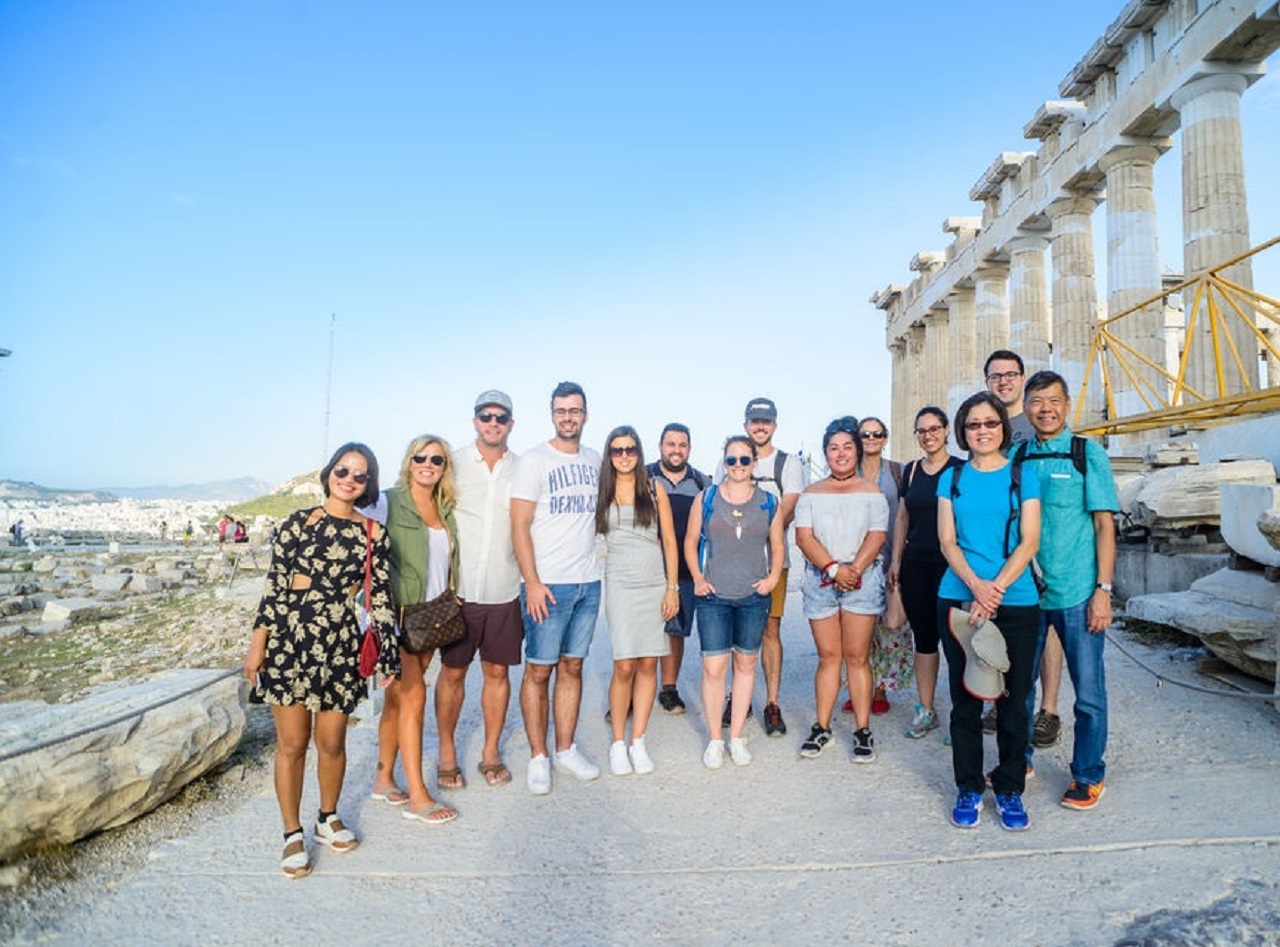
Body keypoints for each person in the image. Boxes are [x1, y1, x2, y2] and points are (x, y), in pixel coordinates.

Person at [243, 442, 398, 878]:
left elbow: (381, 598)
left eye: (360, 475)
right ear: (329, 472)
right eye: (343, 470)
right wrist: (257, 645)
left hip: (340, 643)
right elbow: (275, 590)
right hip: (290, 641)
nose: (349, 479)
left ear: (369, 484)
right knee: (292, 743)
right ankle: (291, 832)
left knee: (332, 741)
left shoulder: (373, 534)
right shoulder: (296, 523)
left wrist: (388, 654)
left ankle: (327, 816)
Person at [937, 393, 1041, 831]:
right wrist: (977, 588)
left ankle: (1010, 787)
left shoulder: (1024, 474)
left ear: (1002, 427)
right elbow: (947, 540)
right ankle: (969, 786)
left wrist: (994, 589)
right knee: (965, 701)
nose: (982, 431)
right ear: (963, 431)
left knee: (1014, 701)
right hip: (960, 597)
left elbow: (1030, 540)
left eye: (990, 423)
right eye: (974, 424)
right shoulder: (952, 477)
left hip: (1014, 599)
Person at [1019, 371, 1118, 811]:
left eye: (1054, 401)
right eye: (1037, 401)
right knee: (1018, 687)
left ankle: (1088, 774)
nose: (1046, 409)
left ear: (1067, 405)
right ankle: (1017, 762)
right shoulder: (1017, 455)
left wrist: (1104, 590)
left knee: (1089, 692)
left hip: (1078, 590)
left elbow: (1104, 526)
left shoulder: (1086, 454)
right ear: (1025, 407)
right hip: (1027, 592)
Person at [511, 381, 603, 795]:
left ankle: (565, 748)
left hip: (588, 583)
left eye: (575, 410)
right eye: (561, 410)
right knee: (539, 669)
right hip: (548, 585)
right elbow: (519, 525)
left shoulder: (595, 458)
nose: (568, 417)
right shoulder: (533, 461)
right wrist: (531, 582)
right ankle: (538, 755)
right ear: (552, 414)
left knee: (573, 666)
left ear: (585, 414)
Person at [368, 435, 461, 825]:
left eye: (436, 459)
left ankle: (383, 779)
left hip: (432, 616)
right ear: (409, 461)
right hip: (398, 615)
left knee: (396, 700)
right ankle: (418, 796)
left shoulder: (444, 507)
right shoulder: (388, 500)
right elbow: (353, 522)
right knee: (414, 697)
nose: (428, 464)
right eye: (420, 457)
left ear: (444, 467)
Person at [686, 435, 785, 769]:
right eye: (732, 460)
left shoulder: (769, 501)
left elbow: (778, 544)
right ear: (724, 462)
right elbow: (689, 542)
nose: (738, 466)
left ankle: (737, 736)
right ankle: (715, 738)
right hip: (713, 596)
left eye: (745, 460)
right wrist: (698, 580)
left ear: (754, 463)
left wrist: (772, 579)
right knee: (714, 667)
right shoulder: (707, 498)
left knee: (745, 665)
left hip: (753, 597)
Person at [794, 417, 889, 763]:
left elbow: (877, 535)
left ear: (858, 450)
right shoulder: (811, 493)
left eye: (847, 446)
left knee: (857, 657)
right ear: (825, 453)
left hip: (862, 580)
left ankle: (862, 729)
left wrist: (853, 570)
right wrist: (834, 569)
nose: (841, 453)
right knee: (828, 657)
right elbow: (803, 537)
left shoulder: (872, 491)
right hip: (822, 580)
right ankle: (822, 727)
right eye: (833, 448)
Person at [443, 390, 523, 788]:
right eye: (485, 415)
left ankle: (490, 752)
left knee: (497, 671)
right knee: (453, 673)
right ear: (474, 420)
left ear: (511, 424)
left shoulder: (523, 468)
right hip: (460, 591)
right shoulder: (451, 463)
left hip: (505, 589)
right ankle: (446, 753)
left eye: (501, 417)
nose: (493, 422)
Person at [715, 397, 802, 737]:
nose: (760, 426)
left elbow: (790, 507)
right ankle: (738, 696)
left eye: (766, 421)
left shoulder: (787, 463)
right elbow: (717, 501)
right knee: (735, 630)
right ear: (746, 424)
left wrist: (753, 530)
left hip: (771, 561)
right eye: (754, 421)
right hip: (731, 561)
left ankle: (772, 702)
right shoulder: (731, 458)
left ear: (774, 425)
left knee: (770, 631)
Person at [597, 426, 680, 775]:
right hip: (619, 582)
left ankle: (638, 740)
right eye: (617, 450)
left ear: (639, 452)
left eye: (630, 449)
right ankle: (618, 742)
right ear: (609, 455)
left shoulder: (654, 487)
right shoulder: (602, 491)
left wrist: (672, 587)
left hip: (653, 581)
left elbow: (671, 541)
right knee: (624, 664)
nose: (624, 455)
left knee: (649, 664)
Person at [887, 406, 963, 740]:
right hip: (916, 564)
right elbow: (903, 517)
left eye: (934, 429)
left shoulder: (962, 469)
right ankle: (926, 709)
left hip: (953, 566)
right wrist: (895, 562)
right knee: (925, 640)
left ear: (946, 431)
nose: (928, 435)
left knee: (959, 642)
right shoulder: (912, 471)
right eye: (921, 430)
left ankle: (964, 715)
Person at [647, 422, 710, 715]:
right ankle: (633, 691)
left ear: (689, 448)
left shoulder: (701, 482)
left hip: (686, 568)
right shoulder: (643, 476)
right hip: (647, 567)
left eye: (682, 444)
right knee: (643, 630)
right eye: (670, 444)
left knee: (675, 630)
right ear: (660, 446)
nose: (676, 450)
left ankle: (668, 689)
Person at [851, 416, 911, 718]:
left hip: (888, 559)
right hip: (855, 562)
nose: (871, 438)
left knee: (888, 629)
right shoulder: (848, 470)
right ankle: (859, 687)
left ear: (885, 438)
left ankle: (879, 689)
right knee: (859, 630)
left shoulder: (898, 472)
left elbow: (904, 517)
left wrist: (899, 560)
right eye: (865, 434)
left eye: (877, 434)